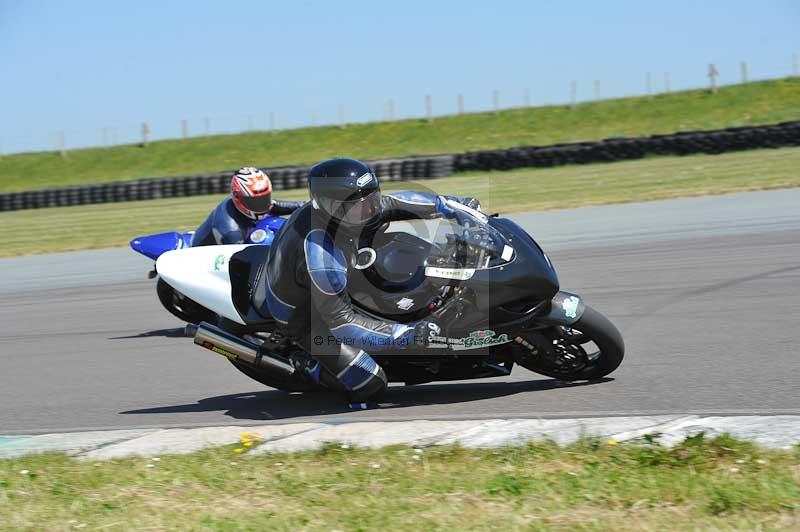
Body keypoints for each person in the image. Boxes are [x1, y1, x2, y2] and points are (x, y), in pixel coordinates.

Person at [261, 157, 480, 402]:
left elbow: (392, 202)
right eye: (359, 205)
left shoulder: (352, 209)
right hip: (307, 317)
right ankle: (308, 365)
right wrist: (406, 335)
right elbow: (341, 323)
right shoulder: (321, 256)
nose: (371, 209)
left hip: (324, 281)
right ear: (331, 208)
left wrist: (454, 206)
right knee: (370, 384)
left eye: (372, 198)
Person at [191, 167, 304, 247]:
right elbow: (238, 263)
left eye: (264, 199)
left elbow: (278, 206)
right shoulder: (231, 231)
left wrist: (307, 205)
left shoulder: (258, 205)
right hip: (209, 260)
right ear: (238, 198)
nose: (261, 205)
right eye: (254, 201)